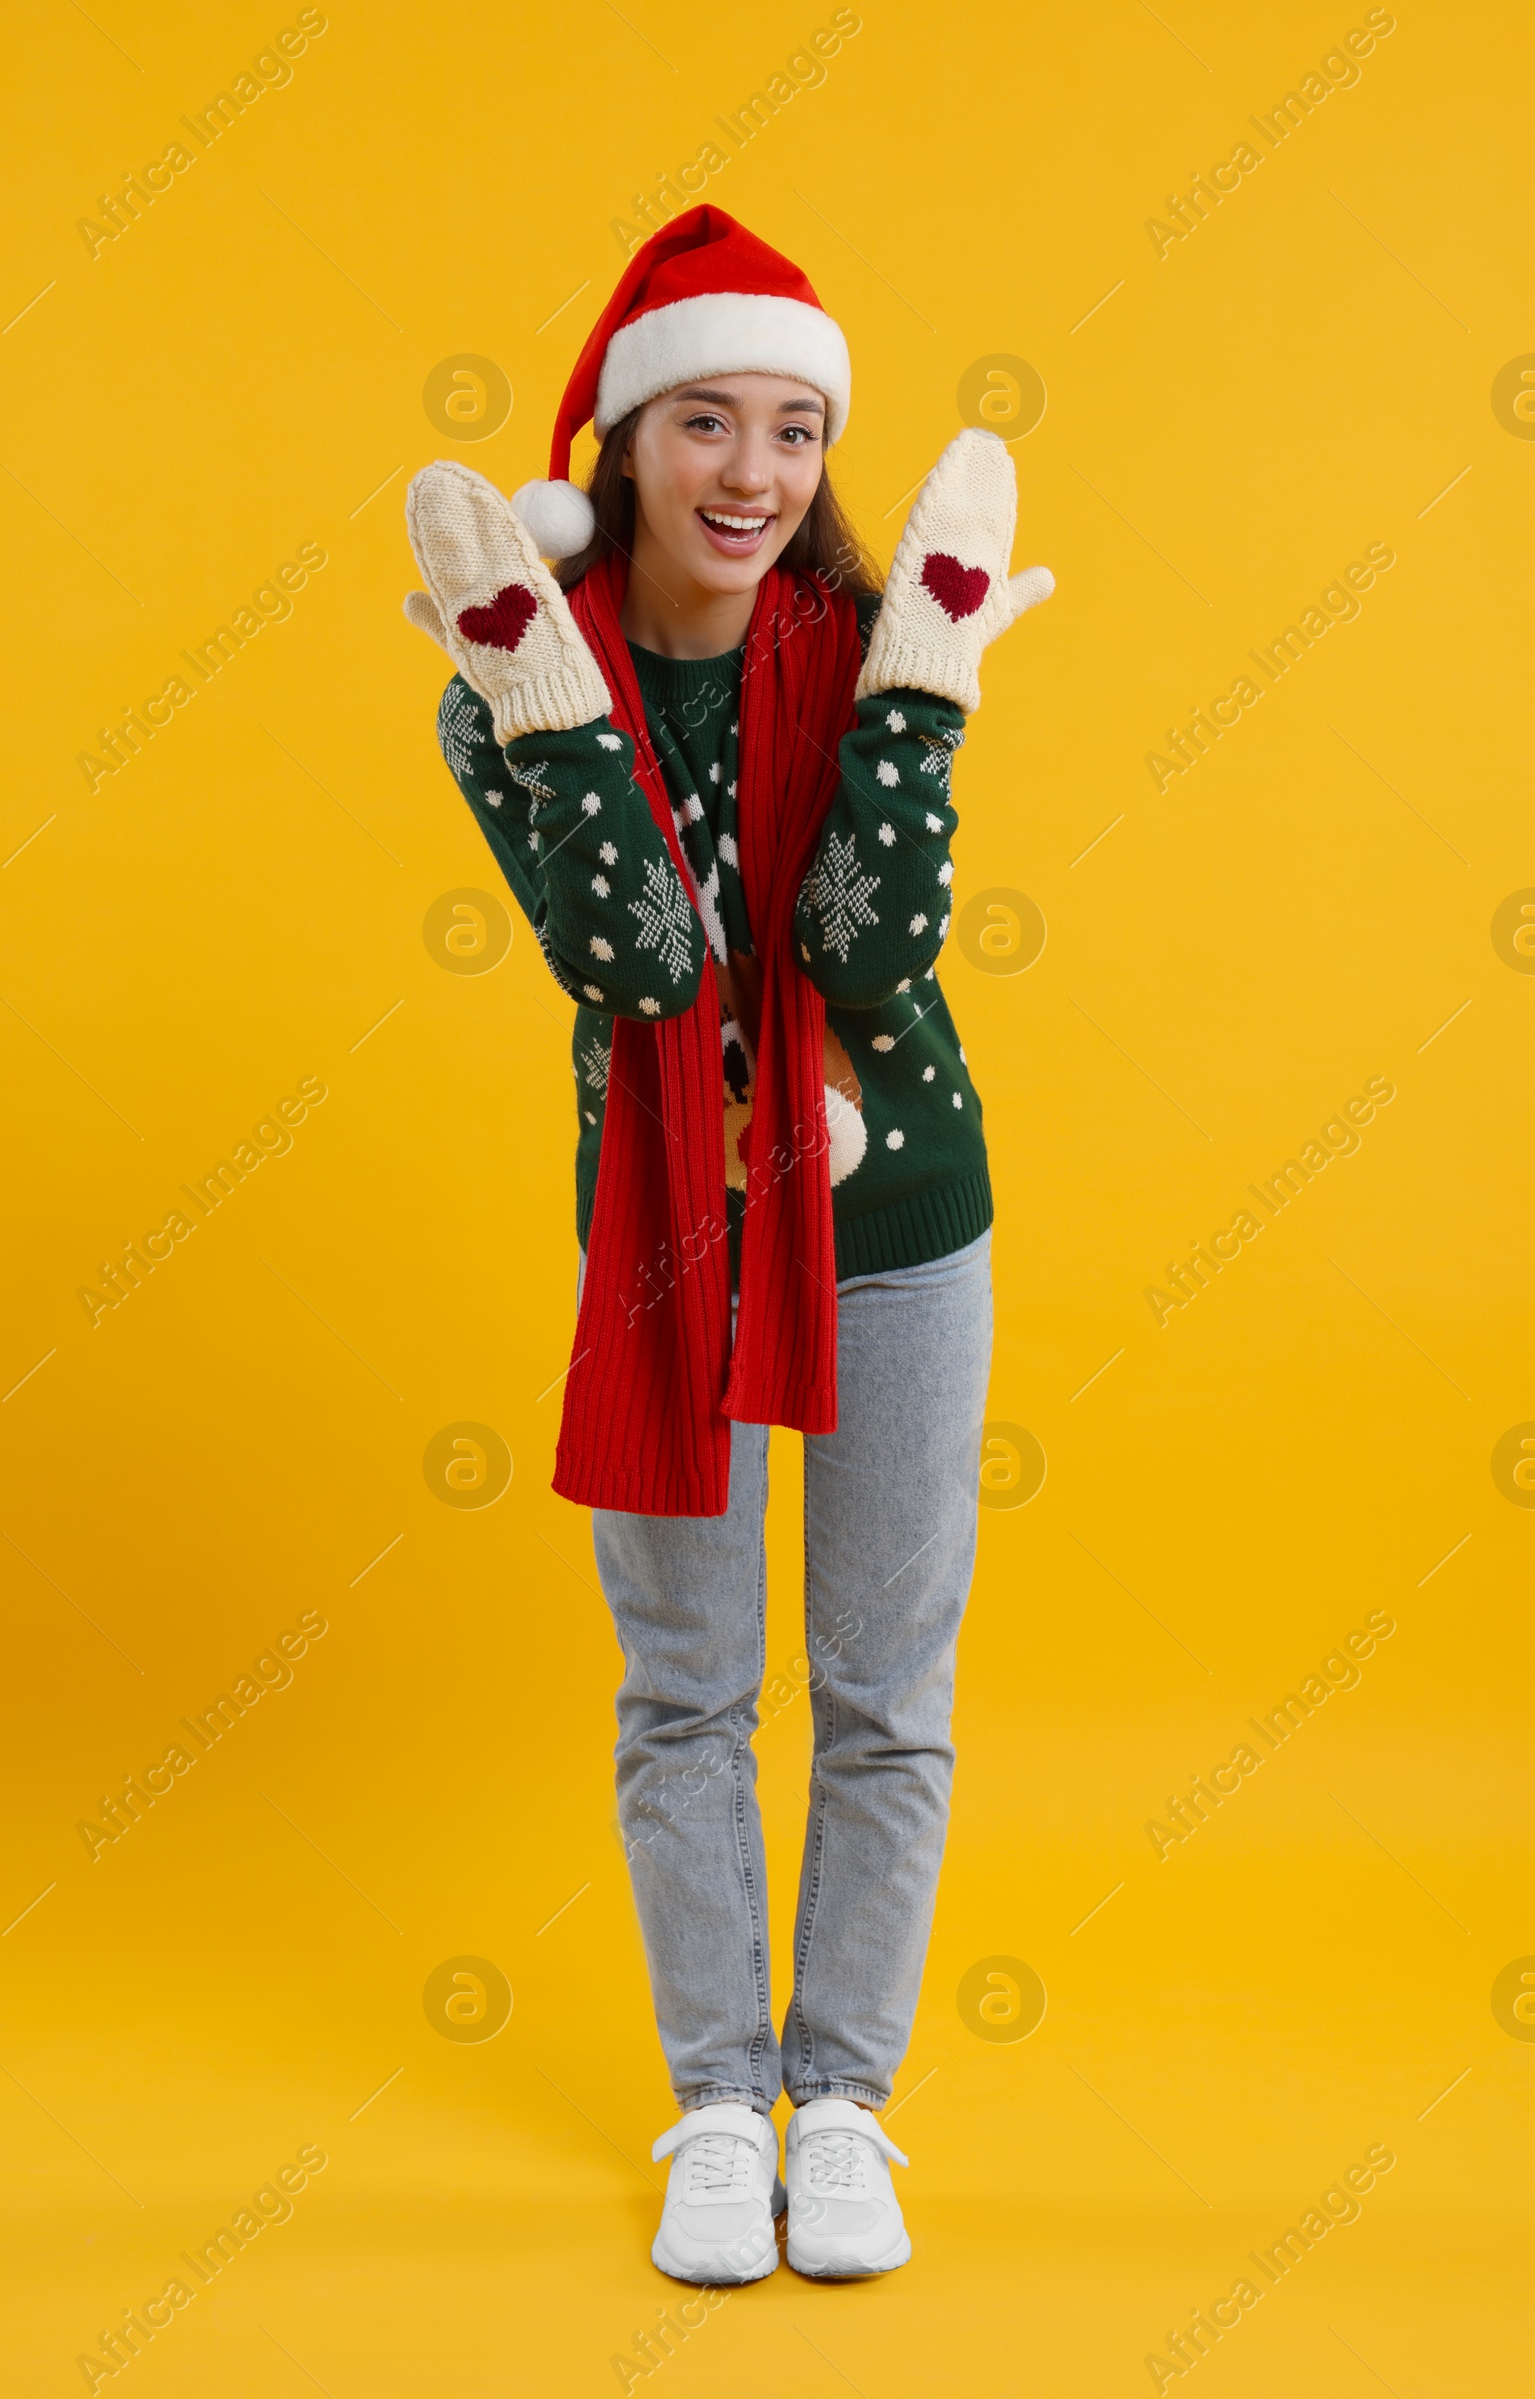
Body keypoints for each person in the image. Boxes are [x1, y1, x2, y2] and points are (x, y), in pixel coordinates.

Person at [404, 205, 1052, 2285]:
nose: (753, 472)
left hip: (899, 1216)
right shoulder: (509, 683)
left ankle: (841, 2105)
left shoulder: (867, 650)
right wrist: (550, 705)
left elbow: (865, 944)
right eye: (705, 421)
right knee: (686, 1692)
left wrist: (923, 691)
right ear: (622, 442)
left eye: (790, 426)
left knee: (882, 1688)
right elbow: (641, 963)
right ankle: (712, 2105)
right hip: (674, 1229)